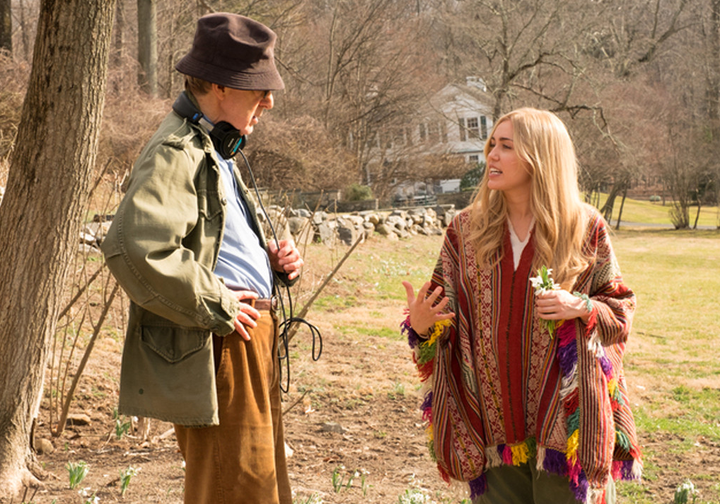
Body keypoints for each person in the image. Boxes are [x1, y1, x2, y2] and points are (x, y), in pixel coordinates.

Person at [101, 13, 301, 504]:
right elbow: (137, 246)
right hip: (222, 344)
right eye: (258, 89)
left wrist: (270, 264)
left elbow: (215, 245)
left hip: (245, 339)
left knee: (259, 487)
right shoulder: (177, 149)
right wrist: (220, 302)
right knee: (234, 491)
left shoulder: (215, 146)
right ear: (217, 85)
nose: (269, 102)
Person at [401, 108, 642, 504]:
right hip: (491, 423)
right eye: (491, 145)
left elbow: (620, 309)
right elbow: (437, 319)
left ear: (541, 157)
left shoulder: (584, 228)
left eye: (506, 146)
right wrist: (423, 324)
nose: (491, 156)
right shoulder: (465, 232)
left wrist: (580, 305)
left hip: (565, 425)